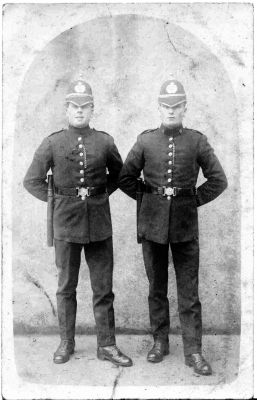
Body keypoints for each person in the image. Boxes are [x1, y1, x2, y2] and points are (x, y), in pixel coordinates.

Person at [118, 77, 228, 375]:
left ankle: (193, 351)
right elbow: (125, 178)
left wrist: (192, 201)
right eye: (165, 106)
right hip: (152, 225)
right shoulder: (145, 140)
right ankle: (160, 343)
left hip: (184, 225)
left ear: (185, 108)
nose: (170, 111)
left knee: (189, 293)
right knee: (157, 289)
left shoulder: (197, 141)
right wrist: (149, 203)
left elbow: (218, 180)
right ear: (158, 107)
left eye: (176, 106)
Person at [23, 79, 132, 367]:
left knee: (103, 288)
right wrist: (60, 202)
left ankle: (107, 345)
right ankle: (66, 343)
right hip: (66, 226)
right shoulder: (53, 142)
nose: (80, 111)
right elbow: (31, 180)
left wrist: (97, 196)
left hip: (98, 224)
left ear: (92, 109)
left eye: (85, 107)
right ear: (66, 109)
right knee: (65, 287)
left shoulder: (104, 141)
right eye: (75, 106)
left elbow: (119, 176)